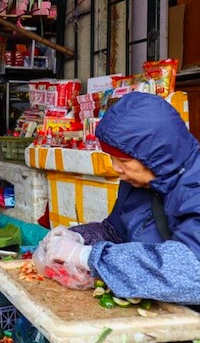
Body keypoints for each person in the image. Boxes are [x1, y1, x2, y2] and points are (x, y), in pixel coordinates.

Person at [40, 92, 200, 304]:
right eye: (112, 158)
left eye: (123, 160)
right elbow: (115, 232)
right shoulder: (140, 181)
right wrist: (78, 237)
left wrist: (86, 256)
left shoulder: (193, 188)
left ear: (155, 155)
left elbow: (190, 272)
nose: (116, 168)